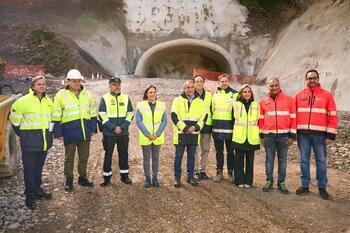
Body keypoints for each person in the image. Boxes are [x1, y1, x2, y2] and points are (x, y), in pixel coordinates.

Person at [10, 74, 53, 209]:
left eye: (43, 84)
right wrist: (24, 136)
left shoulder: (48, 101)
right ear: (33, 86)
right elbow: (15, 122)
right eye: (39, 84)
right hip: (29, 141)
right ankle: (30, 196)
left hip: (44, 140)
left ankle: (37, 190)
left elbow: (52, 120)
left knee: (38, 167)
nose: (41, 86)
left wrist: (49, 135)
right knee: (29, 169)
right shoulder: (22, 102)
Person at [295, 69, 338, 200]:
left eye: (314, 78)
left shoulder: (327, 95)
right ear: (306, 80)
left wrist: (331, 135)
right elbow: (293, 115)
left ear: (318, 79)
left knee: (321, 161)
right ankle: (305, 185)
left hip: (320, 135)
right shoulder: (299, 95)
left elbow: (333, 116)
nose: (312, 80)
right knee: (304, 161)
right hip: (303, 135)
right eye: (309, 78)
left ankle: (322, 187)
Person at [52, 69, 97, 192]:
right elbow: (56, 113)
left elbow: (93, 112)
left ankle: (82, 178)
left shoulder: (87, 94)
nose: (77, 83)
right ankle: (69, 180)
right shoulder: (61, 95)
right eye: (74, 81)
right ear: (68, 81)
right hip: (69, 130)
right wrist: (57, 131)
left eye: (79, 81)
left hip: (84, 130)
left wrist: (93, 128)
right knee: (69, 157)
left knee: (84, 156)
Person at [259, 78, 296, 194]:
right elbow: (261, 120)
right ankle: (269, 180)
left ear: (279, 85)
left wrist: (292, 136)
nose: (274, 88)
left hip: (284, 136)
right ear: (268, 87)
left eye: (276, 85)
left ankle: (281, 182)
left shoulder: (289, 100)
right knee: (269, 159)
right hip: (268, 136)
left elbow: (293, 119)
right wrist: (261, 136)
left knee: (283, 160)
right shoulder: (263, 101)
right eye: (271, 86)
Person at [98, 77, 134, 186]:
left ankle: (124, 176)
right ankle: (106, 178)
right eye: (114, 84)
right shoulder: (105, 98)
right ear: (110, 86)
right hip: (109, 133)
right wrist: (113, 127)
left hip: (123, 133)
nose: (117, 86)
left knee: (123, 154)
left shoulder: (126, 98)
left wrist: (122, 127)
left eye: (118, 84)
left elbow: (130, 114)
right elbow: (102, 115)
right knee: (108, 154)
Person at [171, 80, 207, 188]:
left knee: (191, 157)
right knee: (178, 157)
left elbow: (204, 117)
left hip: (194, 134)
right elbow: (174, 116)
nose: (190, 89)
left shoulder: (200, 101)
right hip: (181, 133)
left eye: (192, 87)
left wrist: (195, 127)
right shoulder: (177, 100)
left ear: (194, 88)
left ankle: (190, 177)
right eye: (188, 87)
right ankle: (177, 178)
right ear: (184, 89)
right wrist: (186, 128)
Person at [135, 85, 167, 188]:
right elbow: (138, 121)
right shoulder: (140, 105)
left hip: (157, 137)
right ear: (146, 94)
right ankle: (148, 179)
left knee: (156, 158)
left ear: (156, 93)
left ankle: (155, 178)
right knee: (146, 158)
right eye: (150, 92)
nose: (152, 94)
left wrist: (157, 134)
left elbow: (164, 121)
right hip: (146, 137)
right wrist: (148, 134)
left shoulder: (162, 105)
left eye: (154, 92)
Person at [211, 73, 238, 182]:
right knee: (219, 152)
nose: (224, 83)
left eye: (226, 81)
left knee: (231, 152)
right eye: (222, 81)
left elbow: (237, 112)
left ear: (228, 82)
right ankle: (219, 172)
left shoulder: (234, 95)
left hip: (230, 128)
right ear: (219, 83)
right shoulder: (215, 95)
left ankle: (231, 173)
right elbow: (212, 110)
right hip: (217, 128)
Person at [232, 84, 260, 188]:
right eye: (244, 92)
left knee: (250, 161)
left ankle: (248, 181)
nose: (247, 94)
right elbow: (232, 120)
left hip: (252, 137)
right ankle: (239, 180)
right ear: (241, 93)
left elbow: (259, 120)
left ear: (251, 93)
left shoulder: (256, 105)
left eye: (249, 92)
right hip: (239, 136)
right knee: (238, 160)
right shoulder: (236, 105)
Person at [193, 75, 212, 180]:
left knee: (205, 149)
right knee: (195, 148)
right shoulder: (191, 94)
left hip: (207, 125)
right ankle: (195, 170)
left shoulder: (209, 95)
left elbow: (212, 109)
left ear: (204, 82)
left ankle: (202, 170)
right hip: (195, 125)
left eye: (201, 81)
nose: (199, 83)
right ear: (194, 83)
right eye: (197, 81)